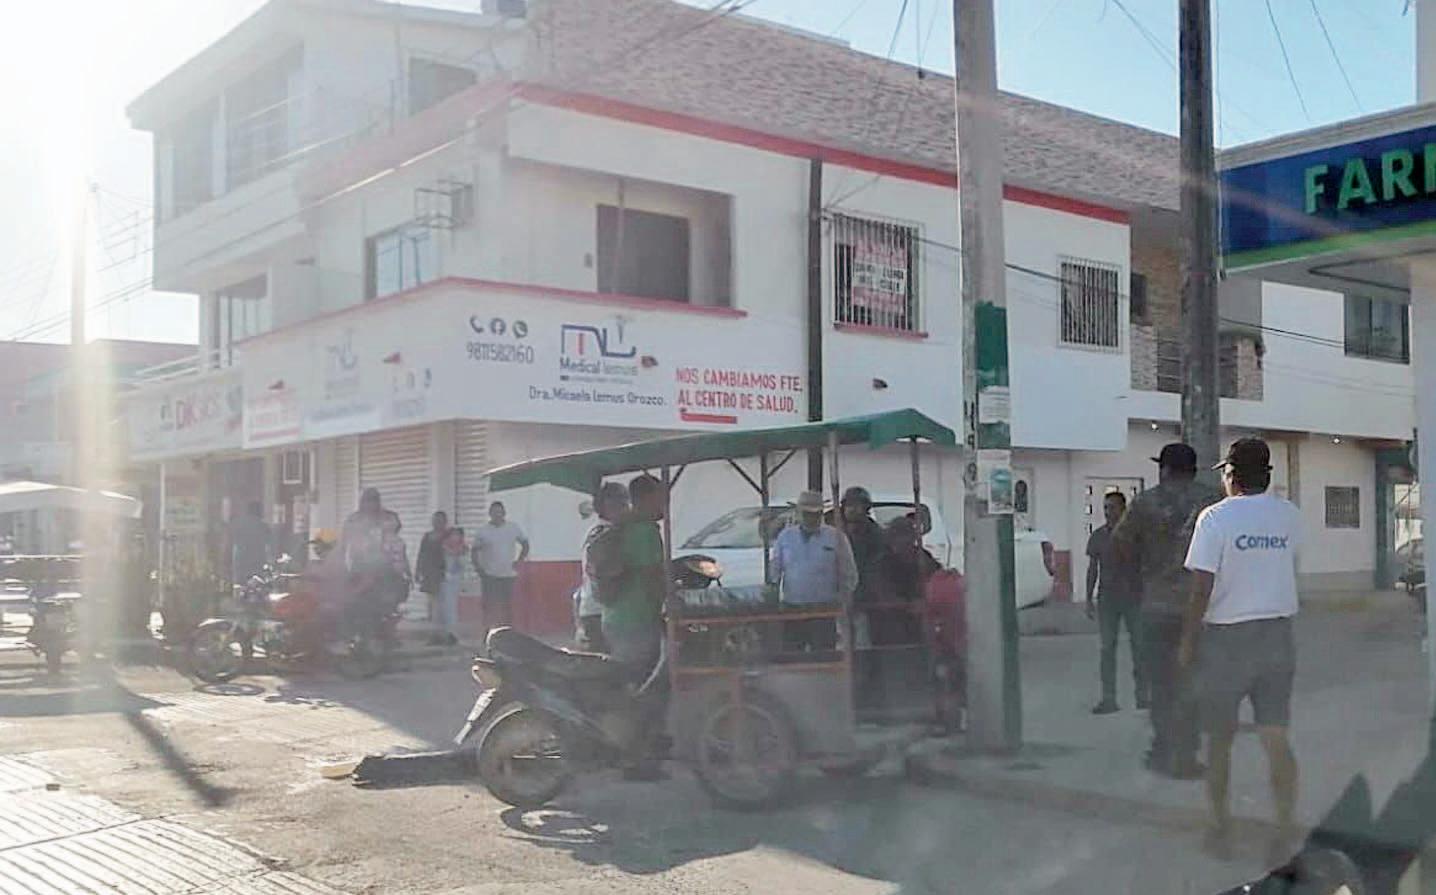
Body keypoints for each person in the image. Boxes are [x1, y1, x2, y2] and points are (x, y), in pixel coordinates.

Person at [1180, 438, 1302, 857]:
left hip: (1227, 640)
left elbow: (1201, 588)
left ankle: (1220, 829)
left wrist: (1187, 643)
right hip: (1277, 635)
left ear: (1231, 476)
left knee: (1219, 740)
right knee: (1275, 736)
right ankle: (1284, 829)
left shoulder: (1214, 518)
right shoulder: (1289, 516)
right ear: (1267, 476)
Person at [1111, 443, 1221, 779]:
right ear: (1193, 470)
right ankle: (1186, 754)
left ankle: (1163, 750)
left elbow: (1119, 547)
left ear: (1166, 469)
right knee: (1192, 683)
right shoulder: (1212, 503)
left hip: (1157, 606)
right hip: (1201, 608)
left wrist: (1140, 579)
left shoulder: (1145, 503)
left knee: (1161, 685)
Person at [771, 490, 858, 651]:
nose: (811, 518)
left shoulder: (836, 537)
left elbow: (849, 573)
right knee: (792, 655)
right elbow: (775, 570)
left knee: (824, 654)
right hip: (793, 608)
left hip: (824, 609)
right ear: (799, 513)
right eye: (807, 513)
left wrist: (843, 601)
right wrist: (773, 599)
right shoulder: (785, 537)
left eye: (816, 514)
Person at [1086, 490, 1148, 715]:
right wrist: (1088, 598)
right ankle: (1108, 698)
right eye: (1105, 508)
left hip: (1134, 597)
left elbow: (1148, 565)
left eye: (1112, 507)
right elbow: (1093, 568)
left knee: (1139, 647)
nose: (1108, 512)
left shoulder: (1136, 536)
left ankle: (1143, 696)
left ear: (1123, 509)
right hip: (1108, 599)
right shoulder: (1099, 536)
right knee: (1107, 648)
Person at [600, 475, 666, 673]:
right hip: (637, 619)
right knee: (638, 677)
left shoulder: (622, 525)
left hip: (614, 616)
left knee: (624, 676)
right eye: (661, 497)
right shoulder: (645, 530)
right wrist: (668, 603)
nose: (666, 503)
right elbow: (651, 577)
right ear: (647, 498)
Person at [577, 482, 629, 653]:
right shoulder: (605, 535)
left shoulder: (598, 531)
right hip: (600, 611)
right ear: (607, 506)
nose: (626, 508)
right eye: (621, 503)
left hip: (596, 610)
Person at [471, 502, 530, 641]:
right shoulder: (483, 531)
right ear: (490, 514)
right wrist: (479, 569)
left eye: (499, 512)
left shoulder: (513, 528)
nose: (497, 515)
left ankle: (508, 635)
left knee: (507, 606)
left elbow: (525, 544)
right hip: (489, 574)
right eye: (494, 512)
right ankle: (487, 635)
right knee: (489, 606)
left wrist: (519, 561)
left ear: (504, 513)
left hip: (508, 574)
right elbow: (474, 551)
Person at [415, 511, 449, 622]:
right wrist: (418, 570)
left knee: (442, 596)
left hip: (443, 570)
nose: (437, 523)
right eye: (435, 521)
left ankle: (441, 618)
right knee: (430, 596)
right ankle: (431, 618)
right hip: (429, 570)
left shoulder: (449, 536)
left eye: (440, 521)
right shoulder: (427, 536)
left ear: (445, 522)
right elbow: (421, 554)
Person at [435, 526, 466, 647]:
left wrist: (458, 555)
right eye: (452, 535)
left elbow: (463, 567)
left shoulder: (462, 550)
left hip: (454, 582)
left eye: (457, 535)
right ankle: (441, 634)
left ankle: (451, 634)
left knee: (451, 608)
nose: (455, 537)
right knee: (441, 608)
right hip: (442, 580)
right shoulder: (442, 548)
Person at [230, 501, 272, 585]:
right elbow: (269, 546)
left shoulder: (238, 525)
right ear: (259, 511)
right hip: (258, 565)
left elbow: (232, 543)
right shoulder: (263, 526)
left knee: (241, 586)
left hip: (241, 564)